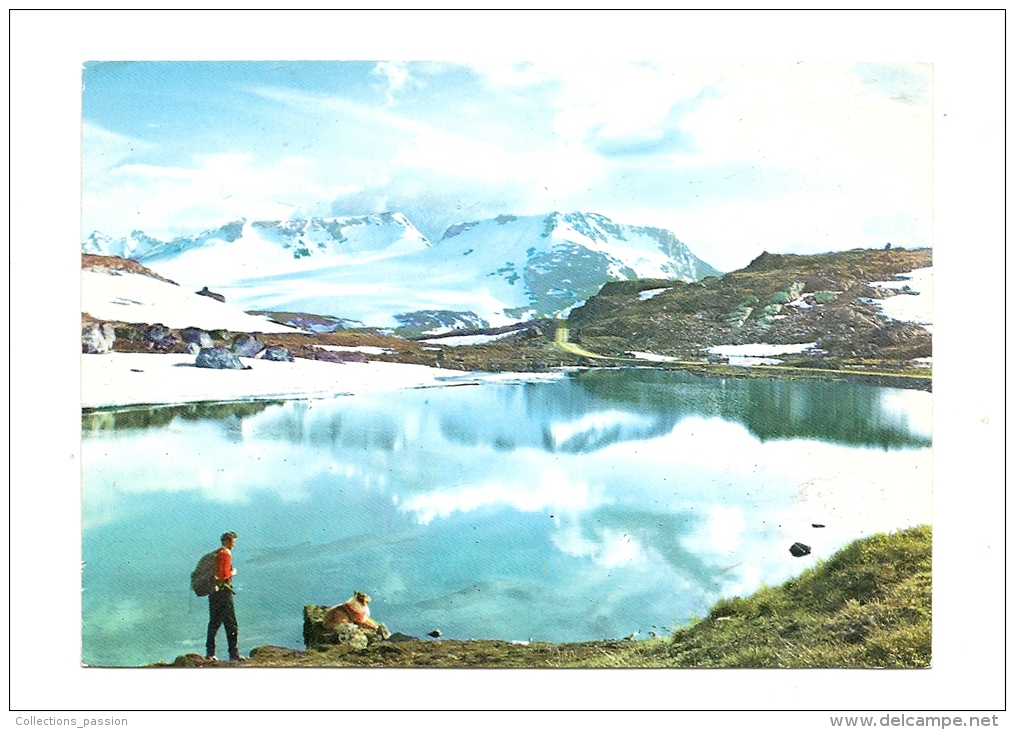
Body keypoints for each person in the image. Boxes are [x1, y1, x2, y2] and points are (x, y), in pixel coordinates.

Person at [205, 531, 242, 662]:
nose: (234, 544)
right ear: (227, 541)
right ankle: (233, 654)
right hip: (223, 593)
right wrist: (233, 572)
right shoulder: (225, 553)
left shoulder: (217, 552)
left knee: (214, 623)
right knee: (231, 624)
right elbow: (223, 575)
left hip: (213, 593)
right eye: (233, 541)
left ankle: (210, 653)